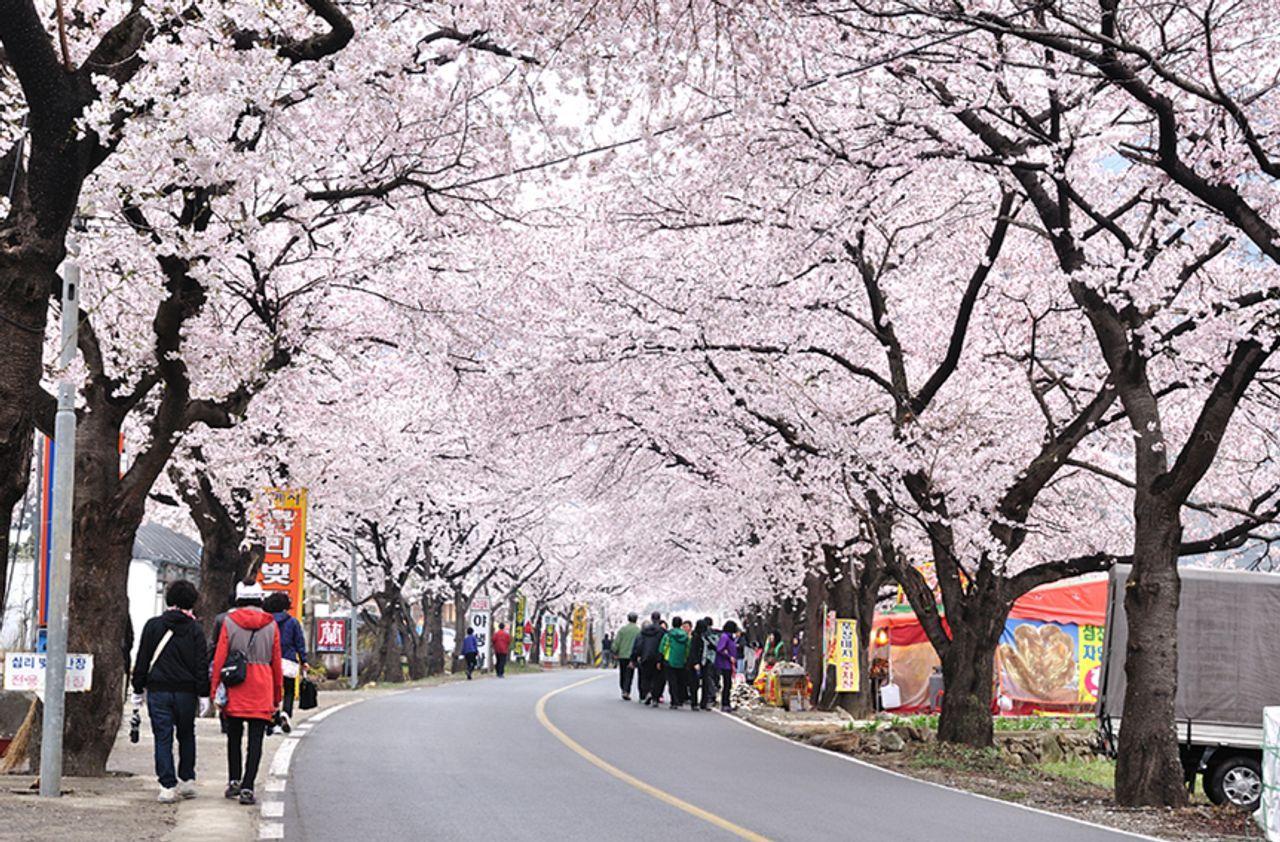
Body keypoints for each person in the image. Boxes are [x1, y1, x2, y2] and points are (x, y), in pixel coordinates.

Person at [131, 579, 210, 803]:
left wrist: (137, 689)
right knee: (186, 734)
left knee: (162, 737)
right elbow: (200, 665)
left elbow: (143, 659)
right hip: (186, 693)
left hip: (158, 691)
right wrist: (204, 694)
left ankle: (167, 785)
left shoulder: (153, 625)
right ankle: (187, 780)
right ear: (191, 602)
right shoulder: (195, 629)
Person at [210, 581, 283, 806]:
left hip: (236, 684)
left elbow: (220, 658)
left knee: (233, 737)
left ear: (239, 599)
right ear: (261, 599)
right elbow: (277, 663)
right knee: (256, 740)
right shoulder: (271, 624)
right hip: (263, 685)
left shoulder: (229, 622)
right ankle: (248, 787)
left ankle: (234, 780)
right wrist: (277, 695)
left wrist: (215, 689)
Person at [264, 592, 307, 719]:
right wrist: (303, 660)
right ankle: (286, 714)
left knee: (271, 690)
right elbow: (300, 642)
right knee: (289, 690)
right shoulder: (293, 622)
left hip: (269, 660)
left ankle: (273, 715)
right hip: (288, 659)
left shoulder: (266, 621)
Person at [635, 611, 664, 705]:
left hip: (645, 656)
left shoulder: (644, 631)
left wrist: (638, 655)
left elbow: (640, 644)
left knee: (646, 677)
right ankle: (655, 697)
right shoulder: (662, 631)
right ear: (659, 619)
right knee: (657, 678)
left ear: (651, 619)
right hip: (657, 657)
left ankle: (647, 693)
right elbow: (664, 645)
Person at [660, 616, 690, 709]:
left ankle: (674, 701)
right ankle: (680, 700)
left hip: (670, 660)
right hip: (682, 660)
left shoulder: (668, 635)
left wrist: (662, 657)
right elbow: (688, 648)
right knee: (680, 681)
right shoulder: (685, 636)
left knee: (672, 682)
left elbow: (663, 647)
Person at [611, 613, 641, 700]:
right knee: (629, 674)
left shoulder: (622, 630)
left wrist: (614, 651)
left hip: (622, 655)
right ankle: (626, 690)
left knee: (623, 673)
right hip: (632, 656)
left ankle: (623, 689)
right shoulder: (638, 630)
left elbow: (616, 643)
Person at [716, 620, 740, 712]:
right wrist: (729, 656)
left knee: (728, 684)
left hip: (729, 664)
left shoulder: (730, 637)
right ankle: (725, 703)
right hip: (725, 664)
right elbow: (720, 649)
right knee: (726, 684)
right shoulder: (725, 637)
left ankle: (727, 702)